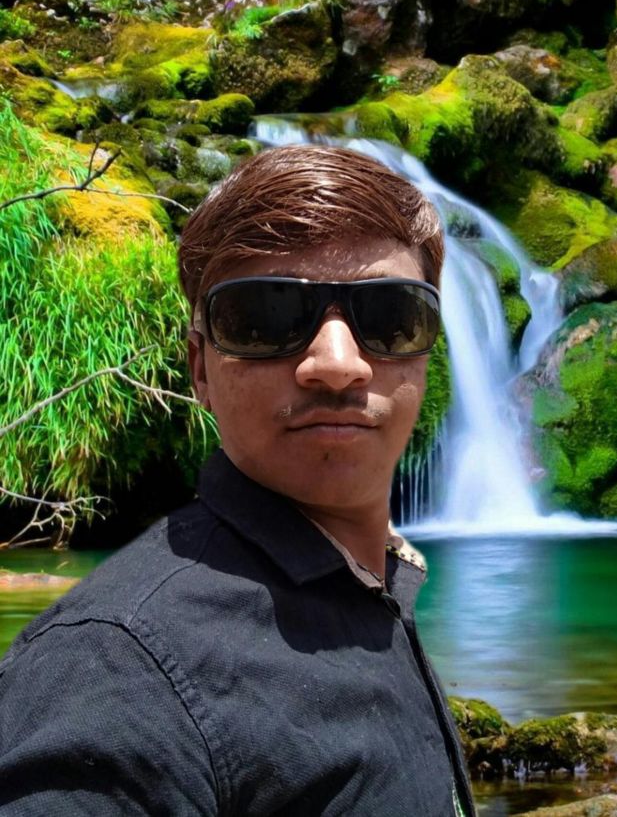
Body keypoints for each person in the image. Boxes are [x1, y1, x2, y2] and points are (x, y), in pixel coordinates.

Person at [0, 145, 475, 816]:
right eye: (265, 318)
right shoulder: (112, 668)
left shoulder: (380, 587)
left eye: (391, 317)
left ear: (425, 352)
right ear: (200, 369)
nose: (338, 364)